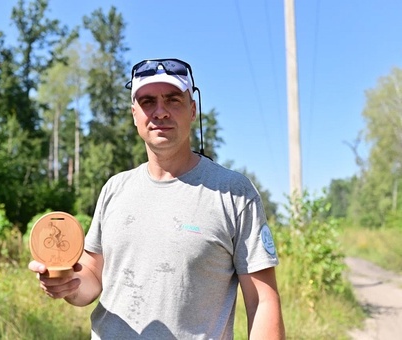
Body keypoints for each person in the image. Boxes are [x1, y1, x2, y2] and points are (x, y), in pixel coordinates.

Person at [29, 58, 285, 339]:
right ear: (134, 114)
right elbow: (92, 276)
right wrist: (67, 283)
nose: (160, 112)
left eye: (173, 100)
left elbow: (262, 301)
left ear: (192, 110)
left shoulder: (234, 193)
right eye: (148, 102)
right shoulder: (115, 188)